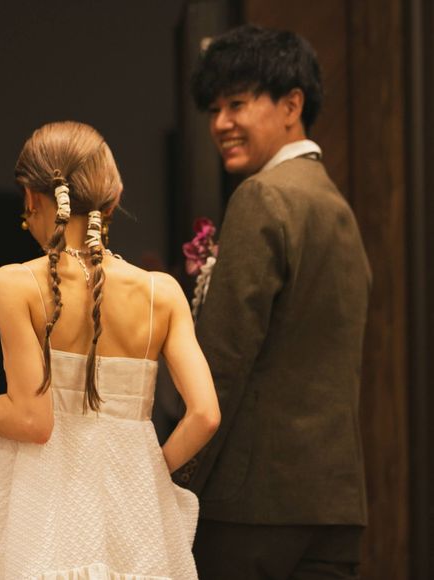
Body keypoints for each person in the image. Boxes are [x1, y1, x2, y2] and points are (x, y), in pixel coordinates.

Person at [0, 121, 220, 579]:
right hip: (138, 528)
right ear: (114, 197)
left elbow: (32, 421)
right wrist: (149, 474)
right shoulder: (162, 293)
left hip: (44, 515)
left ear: (33, 198)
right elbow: (205, 415)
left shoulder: (14, 284)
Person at [173, 25, 372, 579]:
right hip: (335, 505)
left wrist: (176, 482)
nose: (220, 123)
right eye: (214, 109)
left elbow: (222, 363)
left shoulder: (264, 196)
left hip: (252, 508)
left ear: (291, 105)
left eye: (237, 103)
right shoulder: (339, 208)